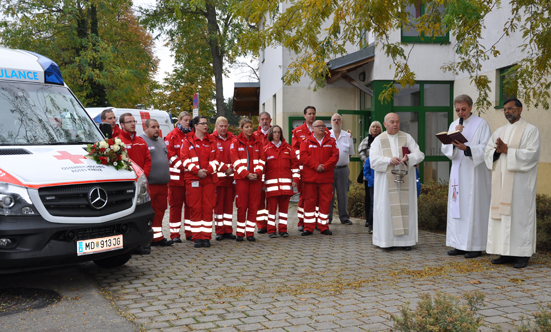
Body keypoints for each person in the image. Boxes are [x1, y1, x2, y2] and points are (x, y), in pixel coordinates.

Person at [484, 98, 541, 268]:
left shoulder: (531, 130)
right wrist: (496, 152)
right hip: (501, 184)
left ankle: (522, 254)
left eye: (510, 108)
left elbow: (532, 154)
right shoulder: (500, 131)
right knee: (501, 217)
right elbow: (488, 152)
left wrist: (508, 150)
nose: (507, 112)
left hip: (520, 186)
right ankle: (504, 253)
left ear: (520, 109)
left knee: (519, 218)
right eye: (504, 109)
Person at [442, 95, 492, 259]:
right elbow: (446, 149)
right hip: (458, 171)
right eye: (457, 110)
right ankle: (459, 244)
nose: (460, 113)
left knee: (473, 207)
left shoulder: (481, 124)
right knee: (458, 207)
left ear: (471, 107)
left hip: (474, 172)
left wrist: (466, 148)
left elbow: (486, 147)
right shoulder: (453, 124)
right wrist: (452, 139)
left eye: (463, 109)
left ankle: (475, 246)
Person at [370, 113, 425, 250]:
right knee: (387, 210)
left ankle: (406, 242)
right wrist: (389, 160)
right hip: (386, 184)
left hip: (405, 182)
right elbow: (373, 161)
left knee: (404, 209)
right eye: (392, 122)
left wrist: (409, 158)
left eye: (397, 122)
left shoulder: (407, 137)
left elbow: (420, 155)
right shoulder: (378, 140)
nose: (395, 124)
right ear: (385, 124)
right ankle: (386, 242)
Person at [181, 116, 218, 248]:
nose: (205, 126)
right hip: (193, 179)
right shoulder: (187, 141)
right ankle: (197, 237)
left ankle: (206, 237)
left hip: (208, 179)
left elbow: (216, 160)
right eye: (202, 123)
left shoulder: (212, 141)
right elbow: (184, 159)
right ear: (195, 126)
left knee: (207, 208)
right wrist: (197, 171)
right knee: (195, 207)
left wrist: (206, 171)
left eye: (206, 123)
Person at [291, 106, 330, 232]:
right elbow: (296, 151)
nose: (312, 116)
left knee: (319, 198)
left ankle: (318, 222)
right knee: (305, 197)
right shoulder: (297, 131)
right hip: (305, 169)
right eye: (309, 114)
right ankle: (302, 222)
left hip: (320, 171)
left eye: (313, 113)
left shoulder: (324, 131)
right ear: (304, 116)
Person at [299, 120, 339, 236]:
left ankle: (323, 226)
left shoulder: (331, 141)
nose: (321, 128)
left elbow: (335, 156)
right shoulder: (306, 141)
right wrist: (316, 166)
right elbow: (303, 156)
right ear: (313, 128)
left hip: (326, 178)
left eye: (323, 126)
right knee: (309, 203)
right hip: (310, 178)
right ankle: (308, 227)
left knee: (325, 203)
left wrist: (324, 166)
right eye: (318, 126)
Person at [231, 118, 265, 242]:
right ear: (241, 128)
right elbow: (235, 160)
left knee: (254, 205)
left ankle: (250, 232)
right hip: (242, 180)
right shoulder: (235, 142)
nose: (249, 129)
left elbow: (262, 159)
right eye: (246, 127)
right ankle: (240, 233)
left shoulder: (258, 142)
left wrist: (257, 173)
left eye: (250, 126)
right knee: (242, 205)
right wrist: (246, 174)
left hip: (255, 179)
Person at [140, 119, 173, 247]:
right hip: (150, 184)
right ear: (146, 128)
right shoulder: (142, 141)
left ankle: (157, 238)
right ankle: (146, 238)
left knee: (160, 210)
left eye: (158, 126)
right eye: (153, 127)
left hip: (162, 184)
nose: (157, 129)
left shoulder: (161, 141)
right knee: (149, 212)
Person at [263, 125, 299, 238]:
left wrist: (296, 179)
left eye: (278, 132)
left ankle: (283, 229)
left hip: (285, 186)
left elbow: (295, 165)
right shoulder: (265, 149)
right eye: (274, 132)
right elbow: (262, 168)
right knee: (271, 209)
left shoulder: (288, 149)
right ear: (271, 134)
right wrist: (262, 183)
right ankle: (271, 230)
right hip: (272, 186)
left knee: (283, 210)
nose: (277, 134)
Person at [164, 111, 193, 242]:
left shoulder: (192, 135)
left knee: (190, 206)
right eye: (186, 120)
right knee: (175, 207)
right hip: (176, 180)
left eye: (189, 120)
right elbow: (170, 155)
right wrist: (185, 166)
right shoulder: (172, 136)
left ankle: (189, 232)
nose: (188, 122)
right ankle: (174, 235)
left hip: (190, 178)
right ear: (180, 120)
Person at [212, 117, 236, 241]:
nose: (223, 128)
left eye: (225, 126)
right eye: (221, 126)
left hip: (231, 179)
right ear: (216, 127)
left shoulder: (233, 139)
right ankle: (219, 231)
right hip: (218, 180)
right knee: (218, 206)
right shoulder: (212, 139)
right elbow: (213, 158)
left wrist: (231, 168)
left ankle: (228, 230)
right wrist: (225, 168)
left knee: (228, 206)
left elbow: (237, 156)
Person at [329, 113, 355, 225]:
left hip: (343, 169)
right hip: (329, 170)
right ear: (331, 122)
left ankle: (344, 218)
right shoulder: (326, 135)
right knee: (328, 195)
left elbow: (350, 154)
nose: (336, 122)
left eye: (338, 120)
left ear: (341, 122)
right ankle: (327, 218)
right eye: (334, 120)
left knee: (343, 194)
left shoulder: (348, 136)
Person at [358, 121, 383, 231]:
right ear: (370, 128)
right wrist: (370, 161)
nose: (375, 128)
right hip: (369, 171)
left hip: (381, 170)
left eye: (377, 127)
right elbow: (361, 152)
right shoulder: (366, 140)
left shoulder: (383, 139)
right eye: (373, 126)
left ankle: (378, 220)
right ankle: (369, 220)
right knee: (369, 197)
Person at [252, 111, 272, 233]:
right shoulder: (254, 135)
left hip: (272, 170)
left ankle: (269, 224)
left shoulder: (275, 133)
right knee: (259, 200)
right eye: (262, 119)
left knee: (270, 199)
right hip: (258, 170)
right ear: (259, 121)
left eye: (267, 119)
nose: (265, 121)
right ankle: (260, 225)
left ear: (270, 120)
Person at [119, 113, 151, 178]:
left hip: (141, 179)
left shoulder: (141, 141)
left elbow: (148, 160)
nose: (133, 124)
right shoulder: (117, 141)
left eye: (134, 121)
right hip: (126, 179)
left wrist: (144, 175)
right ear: (122, 125)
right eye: (129, 122)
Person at [363, 157, 375, 231]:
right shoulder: (370, 159)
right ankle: (371, 224)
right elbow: (366, 172)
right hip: (373, 186)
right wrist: (373, 181)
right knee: (372, 205)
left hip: (382, 185)